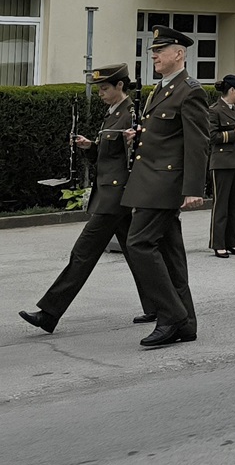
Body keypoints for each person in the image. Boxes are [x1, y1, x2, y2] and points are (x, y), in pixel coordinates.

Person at [19, 63, 158, 334]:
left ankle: (49, 313)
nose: (101, 93)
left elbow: (133, 156)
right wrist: (89, 147)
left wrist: (132, 142)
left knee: (82, 254)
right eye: (99, 89)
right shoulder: (113, 113)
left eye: (105, 88)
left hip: (115, 196)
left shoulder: (130, 114)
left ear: (120, 86)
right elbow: (106, 155)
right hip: (110, 193)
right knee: (136, 253)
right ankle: (157, 305)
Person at [123, 26, 210, 348]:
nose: (154, 56)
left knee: (139, 244)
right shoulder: (161, 90)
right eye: (153, 52)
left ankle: (170, 315)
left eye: (161, 51)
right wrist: (139, 137)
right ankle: (185, 323)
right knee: (171, 255)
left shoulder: (190, 90)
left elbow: (197, 143)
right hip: (151, 179)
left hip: (165, 183)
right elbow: (164, 134)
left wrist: (194, 188)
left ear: (179, 54)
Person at [208, 75, 235, 258]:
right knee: (221, 205)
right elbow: (211, 137)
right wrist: (233, 134)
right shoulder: (214, 110)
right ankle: (218, 243)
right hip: (222, 162)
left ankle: (231, 242)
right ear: (232, 90)